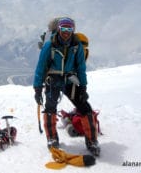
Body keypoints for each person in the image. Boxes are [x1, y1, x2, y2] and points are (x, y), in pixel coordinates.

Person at [33, 17, 100, 156]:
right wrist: (37, 89)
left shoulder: (76, 46)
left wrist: (83, 86)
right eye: (63, 28)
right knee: (50, 109)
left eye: (69, 29)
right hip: (54, 81)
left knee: (85, 108)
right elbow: (40, 68)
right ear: (58, 29)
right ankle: (52, 138)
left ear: (73, 30)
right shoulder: (49, 46)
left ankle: (92, 141)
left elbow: (81, 67)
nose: (66, 32)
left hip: (70, 81)